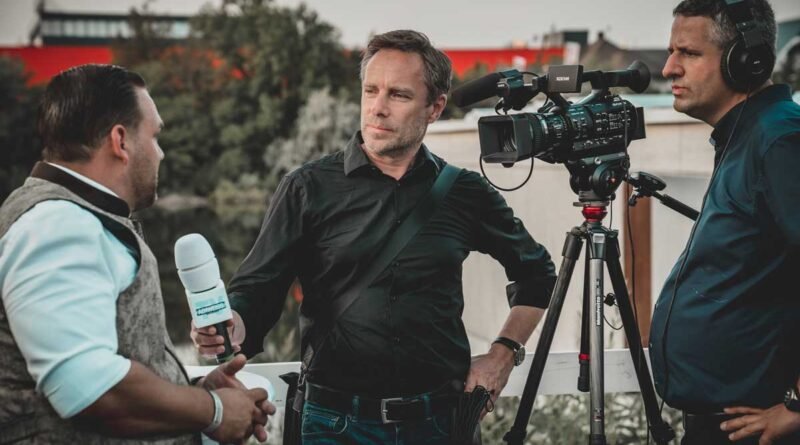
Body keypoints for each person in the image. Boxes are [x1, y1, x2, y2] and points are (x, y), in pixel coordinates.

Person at [191, 30, 557, 443]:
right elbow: (258, 290)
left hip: (441, 423)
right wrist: (231, 326)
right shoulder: (308, 187)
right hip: (334, 424)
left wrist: (502, 354)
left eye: (398, 95)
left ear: (435, 107)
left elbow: (538, 274)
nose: (378, 108)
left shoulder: (464, 192)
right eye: (371, 91)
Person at [0, 64, 275, 444]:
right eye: (154, 136)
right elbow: (88, 386)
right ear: (120, 141)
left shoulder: (77, 218)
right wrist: (213, 411)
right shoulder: (58, 224)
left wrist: (191, 392)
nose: (160, 153)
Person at [648, 1, 800, 444]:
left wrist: (798, 406)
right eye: (671, 52)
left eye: (688, 53)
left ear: (746, 60)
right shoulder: (748, 135)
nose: (669, 68)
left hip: (755, 428)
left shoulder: (780, 140)